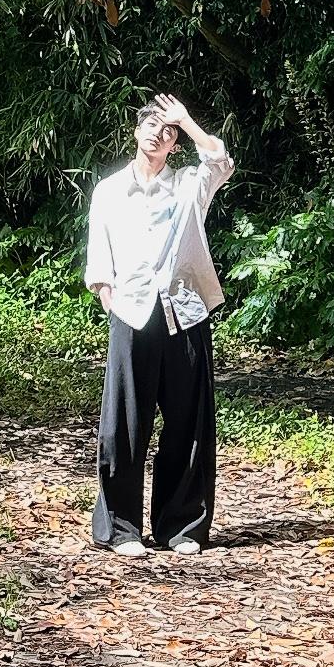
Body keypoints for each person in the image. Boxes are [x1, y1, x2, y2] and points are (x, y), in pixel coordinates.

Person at [82, 91, 235, 556]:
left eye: (168, 132)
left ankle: (180, 527)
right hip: (131, 312)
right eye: (152, 125)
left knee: (188, 422)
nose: (158, 134)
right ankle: (121, 528)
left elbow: (220, 160)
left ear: (175, 144)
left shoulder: (188, 185)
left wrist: (185, 120)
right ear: (136, 131)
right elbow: (99, 253)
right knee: (124, 423)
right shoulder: (109, 190)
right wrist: (107, 295)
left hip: (185, 311)